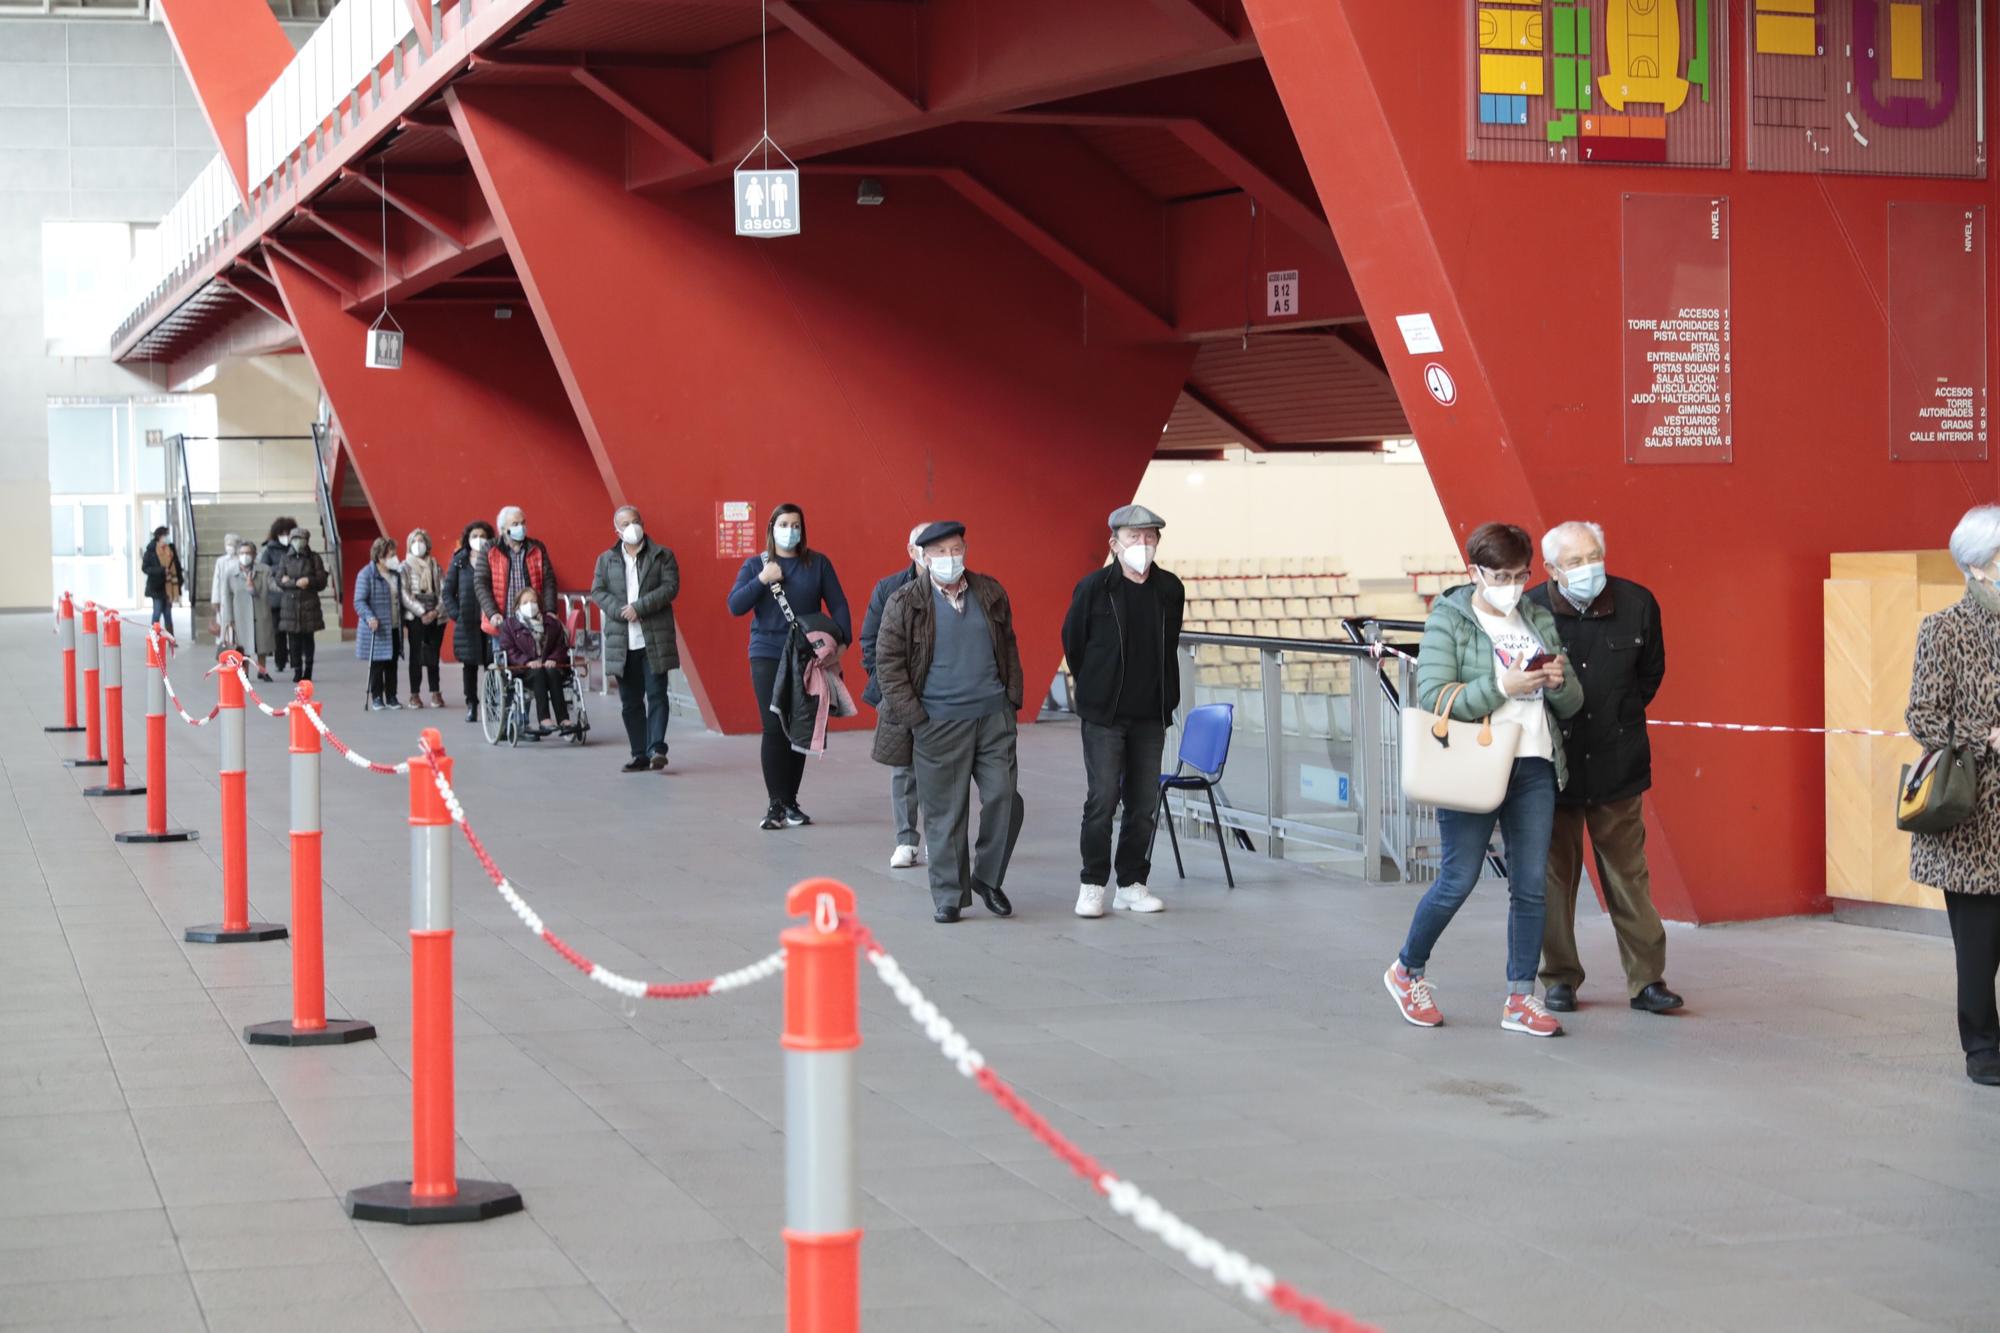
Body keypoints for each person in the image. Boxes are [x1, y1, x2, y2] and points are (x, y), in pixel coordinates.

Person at [1384, 521, 1584, 1039]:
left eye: (1520, 574)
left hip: (1535, 761)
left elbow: (1573, 701)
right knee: (1459, 876)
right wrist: (1502, 685)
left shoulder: (1537, 616)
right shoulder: (1449, 619)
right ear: (1475, 572)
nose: (1512, 584)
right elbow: (1435, 697)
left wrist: (1559, 684)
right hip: (1473, 763)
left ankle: (1521, 997)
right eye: (1500, 574)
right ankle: (1407, 970)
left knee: (1532, 885)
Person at [1526, 521, 1682, 1016]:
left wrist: (1619, 716)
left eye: (1593, 555)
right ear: (1551, 569)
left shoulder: (1637, 604)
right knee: (1554, 879)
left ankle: (1647, 980)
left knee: (1629, 876)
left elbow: (1650, 674)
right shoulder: (1530, 610)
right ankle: (1559, 979)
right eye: (1573, 562)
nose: (1587, 567)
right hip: (1553, 767)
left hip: (1619, 763)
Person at [873, 521, 1024, 924]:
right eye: (938, 552)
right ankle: (949, 895)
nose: (949, 558)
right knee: (945, 813)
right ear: (922, 558)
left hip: (993, 716)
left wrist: (1011, 701)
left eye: (955, 549)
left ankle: (987, 878)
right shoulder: (904, 602)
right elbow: (887, 665)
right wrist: (916, 718)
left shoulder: (989, 592)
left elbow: (1008, 645)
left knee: (1004, 797)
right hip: (937, 721)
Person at [1907, 504, 2000, 1087]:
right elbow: (1923, 717)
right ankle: (1983, 1048)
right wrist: (1986, 737)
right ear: (1977, 566)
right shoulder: (1944, 629)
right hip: (1975, 818)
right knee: (1979, 948)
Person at [1060, 504, 1185, 918]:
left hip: (1151, 714)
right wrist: (1097, 687)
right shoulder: (1094, 588)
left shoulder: (1170, 589)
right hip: (1104, 715)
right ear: (1115, 543)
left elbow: (1169, 644)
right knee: (1103, 799)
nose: (1143, 545)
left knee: (1143, 803)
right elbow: (1074, 644)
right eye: (1134, 538)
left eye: (1150, 537)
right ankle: (1092, 883)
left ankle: (1132, 882)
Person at [726, 503, 851, 830]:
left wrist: (842, 642)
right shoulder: (757, 564)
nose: (790, 530)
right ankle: (775, 803)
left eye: (796, 524)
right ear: (772, 528)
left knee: (799, 725)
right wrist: (762, 581)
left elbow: (838, 602)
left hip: (805, 655)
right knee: (773, 725)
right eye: (784, 524)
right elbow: (735, 605)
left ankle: (791, 801)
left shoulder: (817, 564)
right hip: (767, 652)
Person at [590, 504, 681, 774]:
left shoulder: (662, 555)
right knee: (630, 701)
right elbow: (598, 590)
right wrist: (619, 610)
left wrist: (639, 607)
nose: (632, 527)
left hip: (653, 638)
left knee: (656, 694)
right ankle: (639, 753)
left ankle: (657, 749)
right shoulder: (606, 559)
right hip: (622, 641)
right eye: (626, 523)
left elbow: (670, 587)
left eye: (636, 521)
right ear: (616, 530)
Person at [861, 524, 929, 868]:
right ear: (911, 550)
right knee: (903, 769)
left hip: (945, 694)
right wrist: (887, 686)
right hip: (898, 693)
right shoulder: (889, 589)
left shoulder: (966, 589)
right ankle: (906, 839)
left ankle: (941, 836)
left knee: (944, 768)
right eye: (926, 547)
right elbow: (869, 644)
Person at [498, 587, 573, 738]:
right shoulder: (509, 626)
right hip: (524, 670)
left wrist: (553, 659)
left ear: (539, 604)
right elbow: (509, 651)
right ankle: (544, 719)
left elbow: (560, 646)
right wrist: (527, 662)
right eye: (525, 602)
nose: (530, 605)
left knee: (552, 672)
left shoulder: (552, 624)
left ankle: (563, 719)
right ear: (518, 606)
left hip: (548, 665)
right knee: (538, 672)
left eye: (533, 601)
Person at [474, 504, 558, 639]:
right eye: (515, 524)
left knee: (532, 659)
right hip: (502, 622)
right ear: (502, 529)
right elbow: (480, 583)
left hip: (533, 622)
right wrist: (492, 613)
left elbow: (549, 581)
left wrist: (550, 610)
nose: (521, 527)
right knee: (504, 659)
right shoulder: (490, 549)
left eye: (523, 523)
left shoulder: (536, 548)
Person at [443, 521, 496, 724]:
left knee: (492, 664)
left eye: (482, 536)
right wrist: (457, 614)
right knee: (470, 666)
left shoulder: (494, 558)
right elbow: (448, 592)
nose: (479, 540)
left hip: (490, 621)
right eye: (475, 536)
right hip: (467, 623)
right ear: (468, 539)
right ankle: (471, 704)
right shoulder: (459, 561)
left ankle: (492, 704)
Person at [354, 537, 403, 710]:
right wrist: (369, 617)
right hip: (376, 627)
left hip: (394, 626)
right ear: (379, 557)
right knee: (377, 664)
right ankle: (376, 696)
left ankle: (392, 696)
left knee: (392, 663)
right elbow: (359, 601)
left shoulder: (396, 575)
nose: (394, 558)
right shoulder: (366, 574)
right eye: (391, 555)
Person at [400, 527, 446, 709]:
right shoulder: (405, 566)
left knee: (433, 654)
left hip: (436, 615)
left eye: (421, 541)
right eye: (414, 541)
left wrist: (436, 611)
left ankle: (435, 692)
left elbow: (444, 590)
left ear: (427, 544)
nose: (418, 545)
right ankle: (414, 694)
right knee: (416, 656)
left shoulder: (435, 565)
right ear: (409, 544)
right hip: (415, 616)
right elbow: (404, 593)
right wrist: (421, 612)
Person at [276, 527, 327, 683]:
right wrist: (296, 582)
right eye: (295, 539)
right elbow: (279, 579)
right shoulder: (285, 558)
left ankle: (308, 670)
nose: (299, 542)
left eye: (301, 539)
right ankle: (297, 669)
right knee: (294, 640)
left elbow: (321, 581)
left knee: (308, 639)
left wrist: (309, 581)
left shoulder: (314, 558)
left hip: (308, 603)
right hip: (290, 605)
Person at [215, 540, 275, 671]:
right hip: (240, 614)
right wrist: (229, 618)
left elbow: (273, 585)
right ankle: (245, 671)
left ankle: (262, 670)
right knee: (242, 646)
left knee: (261, 644)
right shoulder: (231, 573)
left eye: (248, 553)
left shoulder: (264, 570)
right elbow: (227, 596)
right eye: (242, 553)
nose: (245, 556)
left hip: (260, 612)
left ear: (254, 555)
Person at [260, 517, 298, 674]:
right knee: (278, 632)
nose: (285, 535)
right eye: (282, 533)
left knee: (294, 631)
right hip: (275, 598)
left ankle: (296, 661)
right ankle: (280, 661)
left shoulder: (296, 548)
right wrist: (281, 571)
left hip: (293, 596)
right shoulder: (268, 550)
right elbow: (264, 570)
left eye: (288, 533)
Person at [141, 526, 181, 638]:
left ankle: (170, 638)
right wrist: (161, 570)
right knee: (157, 612)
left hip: (169, 587)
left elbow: (176, 567)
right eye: (165, 535)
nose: (167, 538)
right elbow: (145, 568)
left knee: (168, 614)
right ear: (159, 537)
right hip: (156, 586)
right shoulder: (151, 551)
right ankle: (154, 636)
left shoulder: (170, 549)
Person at [208, 531, 239, 645]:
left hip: (237, 598)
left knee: (236, 626)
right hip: (223, 599)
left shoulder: (240, 560)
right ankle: (224, 646)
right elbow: (216, 581)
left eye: (232, 544)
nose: (230, 547)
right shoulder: (221, 561)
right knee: (223, 624)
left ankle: (236, 647)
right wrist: (215, 600)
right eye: (228, 544)